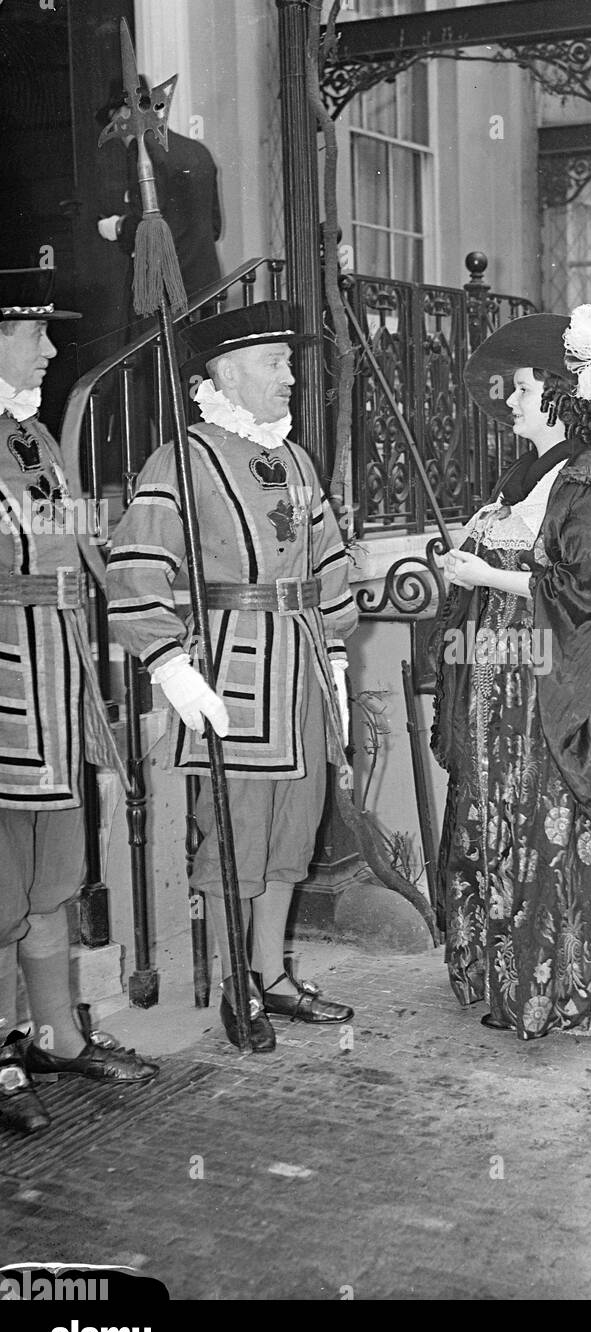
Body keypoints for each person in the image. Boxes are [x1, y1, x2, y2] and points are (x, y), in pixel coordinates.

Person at [431, 305, 591, 1041]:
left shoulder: (589, 484)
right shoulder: (528, 476)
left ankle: (559, 989)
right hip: (504, 687)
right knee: (502, 818)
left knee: (549, 823)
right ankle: (505, 976)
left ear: (556, 393)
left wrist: (488, 575)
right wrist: (472, 573)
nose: (507, 402)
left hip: (552, 689)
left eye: (517, 390)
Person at [106, 301, 357, 1052]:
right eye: (275, 363)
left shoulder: (295, 459)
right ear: (225, 373)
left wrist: (336, 652)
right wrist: (172, 668)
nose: (290, 377)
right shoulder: (179, 460)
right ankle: (232, 987)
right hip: (235, 672)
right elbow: (137, 567)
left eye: (287, 362)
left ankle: (271, 974)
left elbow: (329, 558)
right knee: (235, 830)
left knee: (294, 825)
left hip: (303, 662)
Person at [0, 268, 158, 1138]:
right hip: (4, 692)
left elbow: (80, 552)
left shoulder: (36, 441)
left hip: (55, 694)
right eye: (33, 335)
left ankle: (56, 1036)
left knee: (51, 880)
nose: (52, 349)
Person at [95, 77, 223, 303]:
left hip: (165, 288)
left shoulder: (142, 150)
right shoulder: (198, 150)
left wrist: (116, 226)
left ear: (126, 112)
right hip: (206, 284)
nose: (117, 134)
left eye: (114, 123)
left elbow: (146, 225)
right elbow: (214, 227)